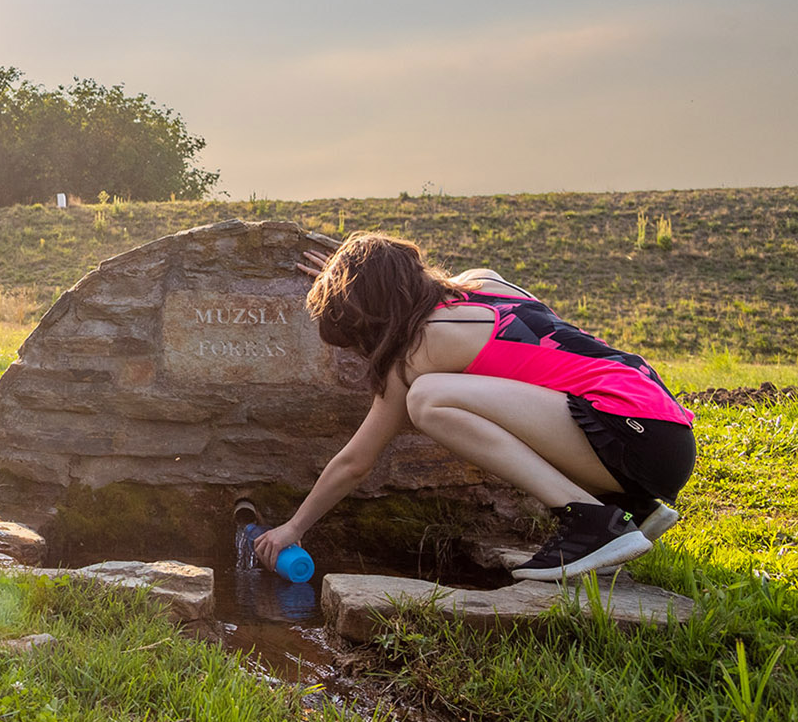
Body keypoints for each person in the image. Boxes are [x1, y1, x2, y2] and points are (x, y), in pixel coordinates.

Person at [254, 233, 696, 581]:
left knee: (427, 399)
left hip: (629, 434)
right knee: (492, 389)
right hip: (665, 435)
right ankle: (632, 507)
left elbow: (356, 461)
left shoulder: (421, 347)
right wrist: (347, 276)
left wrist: (293, 528)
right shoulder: (484, 281)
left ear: (372, 311)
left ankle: (591, 522)